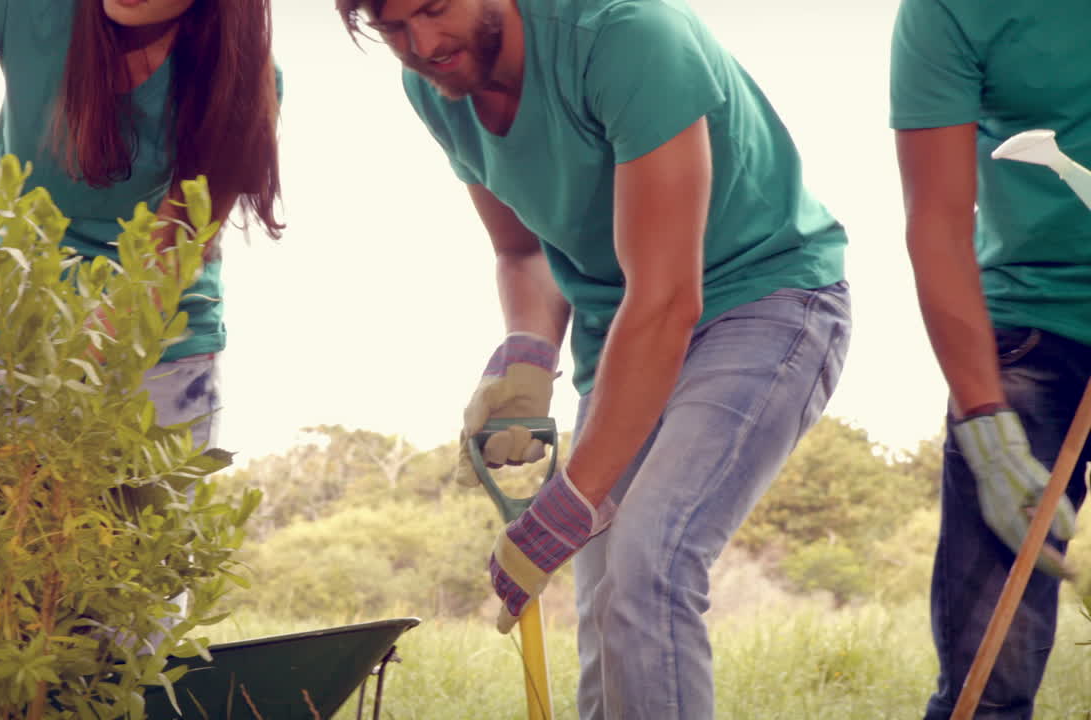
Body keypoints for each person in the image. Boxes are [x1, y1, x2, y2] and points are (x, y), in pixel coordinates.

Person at [333, 0, 851, 717]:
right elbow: (521, 250)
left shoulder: (627, 34)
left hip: (763, 300)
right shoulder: (437, 83)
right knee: (607, 610)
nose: (420, 42)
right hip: (622, 333)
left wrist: (567, 507)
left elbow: (667, 299)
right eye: (391, 27)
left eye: (433, 7)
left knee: (649, 563)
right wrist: (527, 353)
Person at [0, 0, 283, 449]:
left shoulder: (240, 76)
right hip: (14, 342)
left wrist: (56, 392)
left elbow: (166, 258)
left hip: (158, 356)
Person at [890, 2, 1090, 717]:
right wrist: (986, 426)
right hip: (1026, 332)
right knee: (988, 679)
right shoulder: (947, 11)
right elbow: (938, 222)